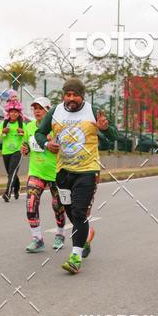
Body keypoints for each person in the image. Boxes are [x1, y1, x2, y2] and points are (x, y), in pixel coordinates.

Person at [34, 77, 118, 274]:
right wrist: (46, 144)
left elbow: (114, 136)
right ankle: (85, 236)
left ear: (82, 96)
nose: (71, 98)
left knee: (80, 213)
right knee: (72, 213)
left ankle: (75, 257)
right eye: (68, 94)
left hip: (87, 170)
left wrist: (105, 128)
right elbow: (39, 133)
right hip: (63, 171)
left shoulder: (93, 111)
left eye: (75, 95)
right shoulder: (55, 112)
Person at [21, 96, 66, 252]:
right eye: (35, 108)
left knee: (58, 206)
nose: (37, 111)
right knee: (31, 203)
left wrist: (52, 143)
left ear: (48, 110)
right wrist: (25, 149)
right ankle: (37, 239)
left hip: (56, 173)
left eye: (41, 108)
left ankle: (60, 234)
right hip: (36, 171)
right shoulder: (29, 127)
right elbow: (26, 146)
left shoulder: (56, 127)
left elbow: (65, 149)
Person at [0, 97, 25, 201]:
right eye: (12, 112)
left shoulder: (22, 124)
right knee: (11, 173)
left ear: (19, 113)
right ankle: (17, 186)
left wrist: (22, 132)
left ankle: (7, 193)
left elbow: (27, 138)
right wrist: (3, 131)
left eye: (16, 112)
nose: (14, 114)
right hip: (6, 152)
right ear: (9, 113)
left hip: (17, 151)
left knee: (12, 172)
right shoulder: (4, 123)